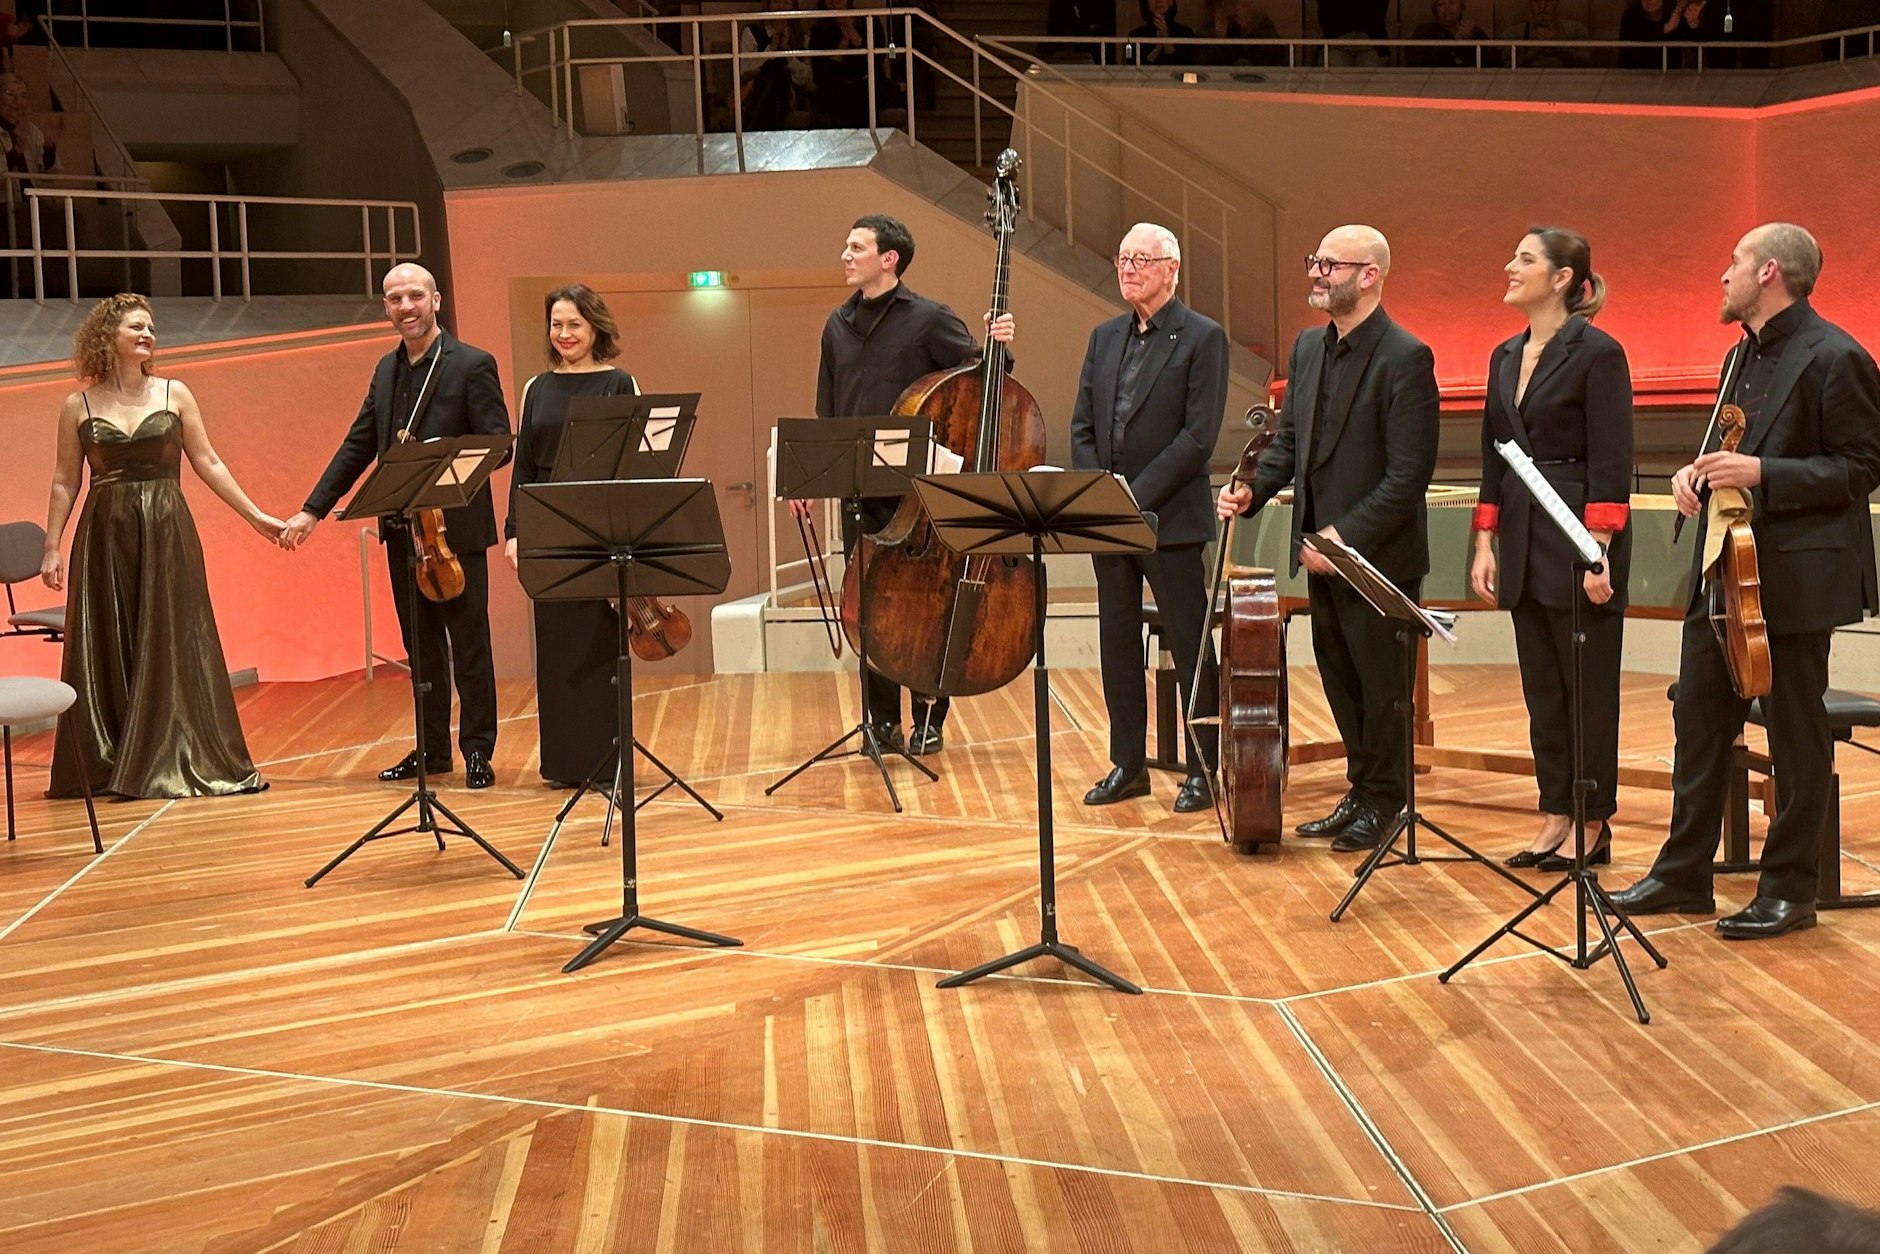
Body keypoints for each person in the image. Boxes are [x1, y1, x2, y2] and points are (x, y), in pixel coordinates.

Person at [1610, 223, 1880, 939]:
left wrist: (1765, 475)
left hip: (1795, 577)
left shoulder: (1837, 356)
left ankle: (1792, 888)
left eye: (1731, 263)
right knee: (1698, 718)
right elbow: (1726, 447)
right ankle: (1683, 875)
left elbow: (1861, 469)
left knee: (1795, 732)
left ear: (1767, 273)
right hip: (1725, 570)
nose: (1720, 276)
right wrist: (1692, 473)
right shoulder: (1740, 357)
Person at [1217, 226, 1439, 852]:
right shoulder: (1310, 349)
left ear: (1369, 275)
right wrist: (1252, 494)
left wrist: (1342, 540)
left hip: (1377, 561)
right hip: (1319, 557)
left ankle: (1388, 801)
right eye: (1314, 261)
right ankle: (1362, 793)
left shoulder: (1406, 357)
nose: (1316, 274)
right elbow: (1290, 445)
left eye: (1330, 265)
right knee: (1341, 679)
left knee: (1381, 685)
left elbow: (1408, 476)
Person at [788, 213, 1015, 756]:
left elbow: (981, 382)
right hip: (858, 488)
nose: (845, 255)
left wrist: (998, 347)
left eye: (856, 246)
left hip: (918, 492)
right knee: (868, 606)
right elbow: (828, 410)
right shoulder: (835, 325)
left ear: (889, 259)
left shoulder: (929, 318)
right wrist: (805, 479)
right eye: (846, 245)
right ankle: (880, 722)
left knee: (926, 603)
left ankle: (930, 716)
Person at [281, 263, 512, 790]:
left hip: (456, 534)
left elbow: (499, 444)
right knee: (422, 649)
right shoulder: (386, 372)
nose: (404, 307)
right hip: (405, 534)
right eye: (393, 299)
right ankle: (433, 751)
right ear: (386, 308)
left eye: (414, 296)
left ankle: (477, 749)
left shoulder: (473, 364)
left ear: (435, 301)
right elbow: (358, 444)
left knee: (470, 645)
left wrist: (444, 461)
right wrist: (312, 509)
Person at [40, 294, 281, 798]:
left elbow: (208, 461)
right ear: (109, 337)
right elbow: (65, 480)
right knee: (109, 637)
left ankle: (177, 755)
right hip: (105, 532)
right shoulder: (77, 405)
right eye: (136, 327)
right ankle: (111, 760)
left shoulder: (175, 393)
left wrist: (255, 515)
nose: (148, 334)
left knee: (174, 636)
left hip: (166, 527)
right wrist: (53, 545)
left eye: (151, 327)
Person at [1468, 228, 1633, 870]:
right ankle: (1554, 813)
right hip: (1520, 530)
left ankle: (1593, 822)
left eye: (1526, 259)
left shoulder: (1599, 353)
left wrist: (1599, 553)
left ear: (1563, 278)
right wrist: (1485, 541)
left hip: (1576, 534)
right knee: (1542, 688)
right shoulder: (1503, 355)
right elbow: (1493, 455)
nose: (1510, 267)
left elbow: (1613, 460)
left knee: (1586, 689)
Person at [1072, 222, 1227, 815]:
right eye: (1122, 258)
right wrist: (1102, 495)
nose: (1128, 268)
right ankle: (1128, 765)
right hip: (1109, 519)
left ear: (1172, 269)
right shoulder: (1103, 337)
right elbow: (1083, 424)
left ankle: (1203, 766)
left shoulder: (1202, 338)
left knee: (1190, 644)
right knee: (1117, 641)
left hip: (1171, 520)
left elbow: (1196, 439)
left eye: (1141, 259)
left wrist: (1133, 496)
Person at [504, 283, 638, 788]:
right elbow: (524, 467)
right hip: (548, 534)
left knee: (597, 650)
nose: (563, 334)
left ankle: (606, 765)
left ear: (595, 327)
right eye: (556, 325)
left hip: (600, 534)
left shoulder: (620, 382)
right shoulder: (536, 388)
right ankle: (562, 765)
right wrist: (515, 532)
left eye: (574, 325)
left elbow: (635, 466)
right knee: (556, 652)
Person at [1497, 0, 1591, 68]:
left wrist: (1556, 44)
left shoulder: (1576, 30)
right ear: (1530, 4)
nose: (1543, 6)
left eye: (1549, 1)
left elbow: (1586, 62)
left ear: (1557, 3)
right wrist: (1533, 52)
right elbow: (1502, 67)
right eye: (1536, 1)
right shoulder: (1514, 34)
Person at [1407, 0, 1497, 68]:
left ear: (1461, 8)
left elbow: (1495, 61)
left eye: (1452, 3)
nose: (1446, 7)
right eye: (1440, 4)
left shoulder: (1474, 31)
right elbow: (1413, 59)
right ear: (1435, 10)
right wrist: (1456, 44)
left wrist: (1471, 41)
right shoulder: (1424, 32)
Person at [1129, 0, 1197, 66]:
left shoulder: (1185, 33)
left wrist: (1166, 38)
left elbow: (1186, 66)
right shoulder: (1135, 35)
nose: (1158, 1)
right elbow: (1132, 67)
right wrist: (1157, 48)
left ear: (1171, 1)